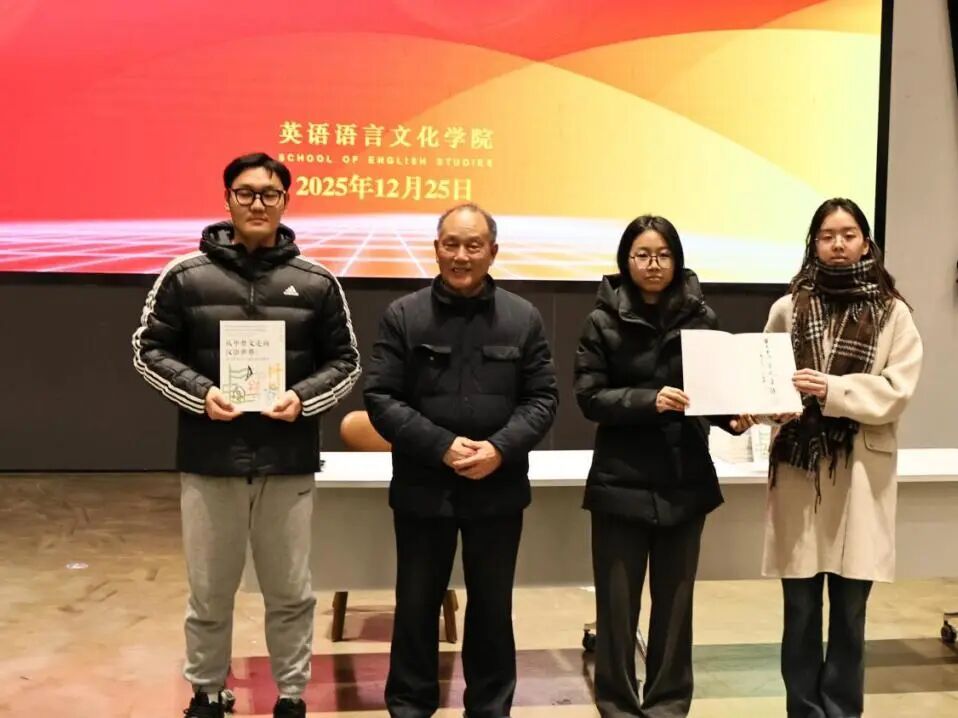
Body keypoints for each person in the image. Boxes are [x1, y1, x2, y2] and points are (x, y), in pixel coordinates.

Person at [132, 152, 360, 718]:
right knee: (209, 592)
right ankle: (207, 691)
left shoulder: (316, 282)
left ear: (286, 201)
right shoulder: (185, 276)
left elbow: (346, 361)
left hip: (288, 460)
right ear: (227, 199)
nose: (258, 203)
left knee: (291, 593)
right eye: (246, 193)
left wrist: (302, 398)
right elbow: (148, 349)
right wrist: (201, 393)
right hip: (211, 459)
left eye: (269, 193)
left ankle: (291, 694)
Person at [363, 203, 559, 718]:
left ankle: (490, 709)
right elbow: (381, 398)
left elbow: (542, 398)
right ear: (436, 249)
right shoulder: (404, 315)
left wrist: (500, 449)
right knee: (415, 607)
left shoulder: (522, 317)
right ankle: (410, 707)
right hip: (423, 488)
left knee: (493, 608)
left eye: (473, 245)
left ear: (493, 251)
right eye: (451, 244)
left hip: (498, 488)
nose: (461, 256)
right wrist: (441, 446)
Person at [574, 214, 749, 718]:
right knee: (616, 610)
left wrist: (733, 419)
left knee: (675, 608)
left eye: (663, 255)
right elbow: (589, 397)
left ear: (677, 259)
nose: (653, 265)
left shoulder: (703, 319)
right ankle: (617, 706)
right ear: (626, 261)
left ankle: (668, 705)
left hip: (683, 480)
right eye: (643, 255)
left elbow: (712, 395)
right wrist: (647, 400)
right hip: (619, 482)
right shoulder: (601, 321)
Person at [762, 198, 922, 718]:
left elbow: (897, 391)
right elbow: (766, 381)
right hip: (800, 474)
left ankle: (843, 711)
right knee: (800, 611)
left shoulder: (894, 313)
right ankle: (804, 711)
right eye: (827, 235)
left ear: (865, 242)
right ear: (814, 243)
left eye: (848, 234)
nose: (838, 244)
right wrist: (763, 408)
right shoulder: (788, 309)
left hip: (860, 476)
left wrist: (831, 390)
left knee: (851, 615)